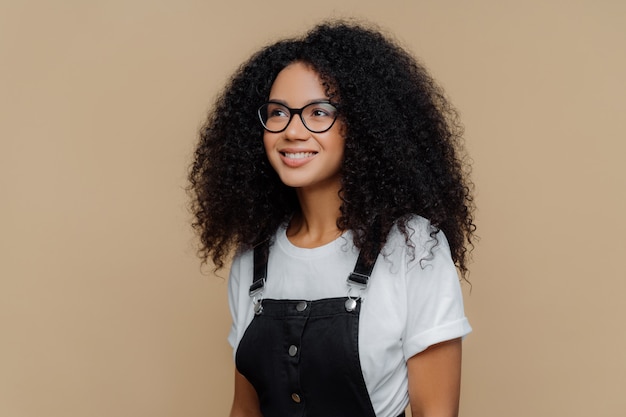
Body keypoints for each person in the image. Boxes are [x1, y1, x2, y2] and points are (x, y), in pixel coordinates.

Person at [188, 20, 476, 417]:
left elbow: (436, 412)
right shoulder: (253, 256)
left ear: (362, 124)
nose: (292, 130)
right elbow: (244, 410)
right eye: (278, 113)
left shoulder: (413, 246)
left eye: (318, 112)